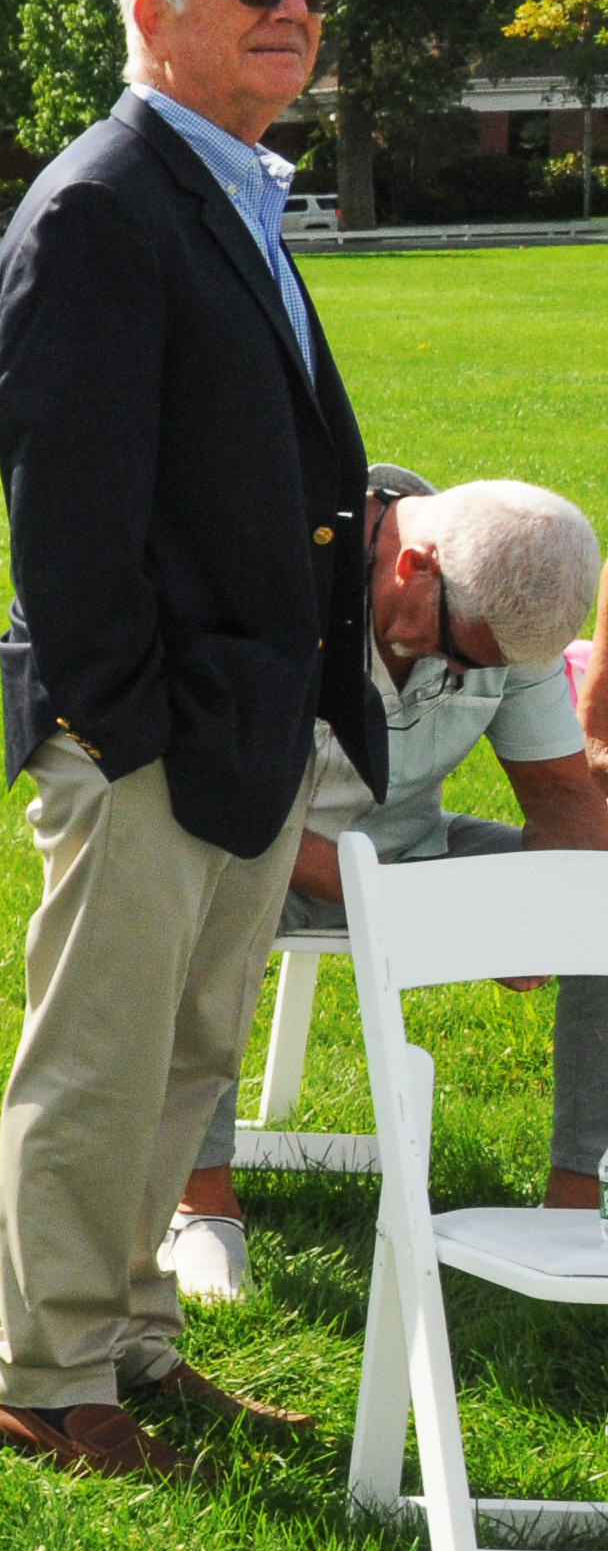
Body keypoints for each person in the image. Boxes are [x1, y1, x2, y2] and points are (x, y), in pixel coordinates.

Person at [0, 0, 378, 1478]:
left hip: (246, 717)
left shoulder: (225, 192)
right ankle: (44, 1373)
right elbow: (67, 509)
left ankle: (130, 1337)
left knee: (185, 1056)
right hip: (150, 728)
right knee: (100, 1060)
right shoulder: (102, 207)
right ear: (154, 17)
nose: (298, 10)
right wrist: (124, 728)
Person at [158, 472, 608, 1296]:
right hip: (250, 847)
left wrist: (551, 914)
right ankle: (201, 1202)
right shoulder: (278, 570)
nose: (461, 670)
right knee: (196, 895)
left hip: (407, 851)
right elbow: (220, 796)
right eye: (461, 654)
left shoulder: (494, 609)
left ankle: (578, 1198)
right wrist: (410, 904)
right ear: (415, 568)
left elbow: (563, 799)